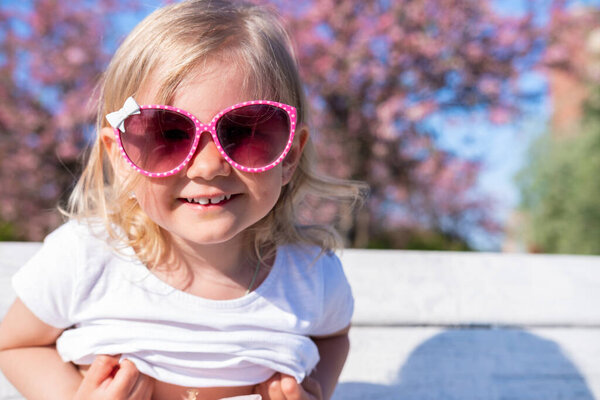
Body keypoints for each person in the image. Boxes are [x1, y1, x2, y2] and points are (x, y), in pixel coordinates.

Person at [0, 1, 366, 399]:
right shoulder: (87, 258)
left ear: (290, 156)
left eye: (246, 131)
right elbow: (16, 344)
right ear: (121, 158)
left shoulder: (311, 276)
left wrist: (317, 392)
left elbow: (333, 339)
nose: (207, 167)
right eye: (167, 134)